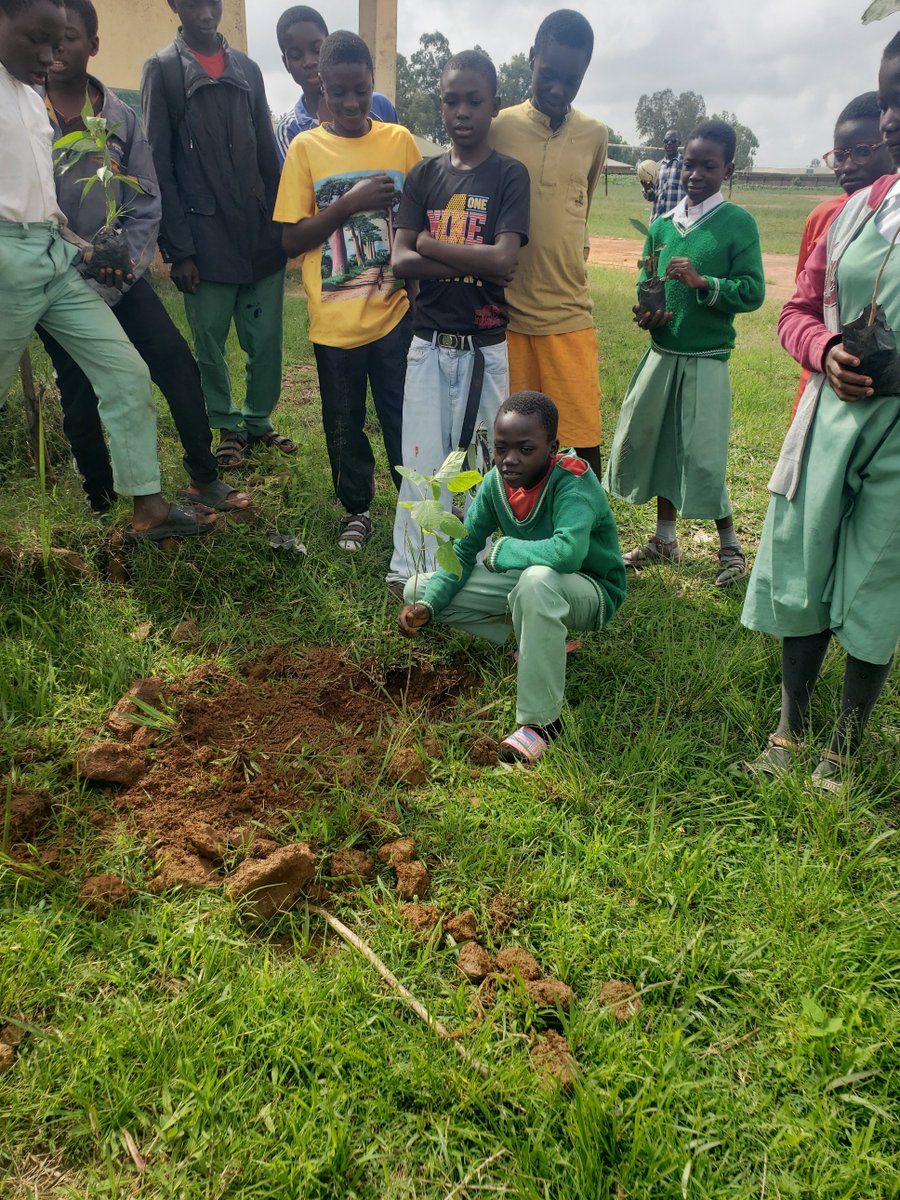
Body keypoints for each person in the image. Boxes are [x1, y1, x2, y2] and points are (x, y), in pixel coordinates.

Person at [740, 35, 900, 795]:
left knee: (876, 578)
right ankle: (789, 729)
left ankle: (842, 748)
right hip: (830, 422)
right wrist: (826, 347)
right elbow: (796, 312)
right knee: (804, 565)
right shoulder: (853, 215)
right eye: (888, 98)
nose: (892, 118)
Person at [0, 0, 212, 542]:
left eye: (58, 42)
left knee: (126, 373)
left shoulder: (36, 102)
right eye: (37, 40)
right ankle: (99, 495)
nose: (49, 55)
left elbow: (47, 210)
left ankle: (150, 506)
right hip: (7, 264)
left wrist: (88, 252)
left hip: (56, 259)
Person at [38, 0, 249, 516]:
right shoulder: (26, 116)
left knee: (176, 363)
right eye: (50, 37)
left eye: (70, 36)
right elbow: (33, 210)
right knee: (77, 387)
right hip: (57, 282)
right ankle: (100, 497)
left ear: (93, 45)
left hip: (121, 279)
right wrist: (79, 260)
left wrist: (122, 263)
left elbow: (146, 199)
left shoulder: (120, 119)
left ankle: (203, 475)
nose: (58, 47)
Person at [399, 392, 626, 764]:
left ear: (551, 448)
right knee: (417, 588)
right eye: (501, 448)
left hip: (591, 589)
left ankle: (542, 724)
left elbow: (568, 554)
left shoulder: (574, 482)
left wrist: (505, 550)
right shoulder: (495, 484)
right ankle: (538, 640)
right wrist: (428, 604)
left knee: (536, 581)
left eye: (526, 449)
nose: (510, 459)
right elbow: (463, 551)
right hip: (534, 584)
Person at [387, 49, 530, 589]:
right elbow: (401, 260)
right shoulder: (423, 176)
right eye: (452, 101)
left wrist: (430, 244)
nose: (462, 112)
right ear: (440, 106)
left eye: (474, 100)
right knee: (422, 463)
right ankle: (414, 573)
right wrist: (473, 259)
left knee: (486, 465)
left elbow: (504, 259)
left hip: (485, 346)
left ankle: (482, 571)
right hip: (427, 345)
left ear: (494, 104)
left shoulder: (509, 176)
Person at [274, 31, 421, 550]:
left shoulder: (400, 142)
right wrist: (349, 203)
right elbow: (292, 239)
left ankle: (414, 507)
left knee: (403, 415)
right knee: (343, 421)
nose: (353, 103)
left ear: (373, 82)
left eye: (361, 90)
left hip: (395, 313)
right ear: (322, 86)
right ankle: (356, 509)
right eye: (340, 92)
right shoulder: (305, 148)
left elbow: (419, 220)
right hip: (334, 323)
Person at [604, 120, 765, 586]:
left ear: (727, 170)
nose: (696, 175)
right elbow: (646, 280)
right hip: (662, 354)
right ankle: (665, 539)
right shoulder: (661, 225)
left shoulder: (737, 224)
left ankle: (730, 546)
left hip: (706, 357)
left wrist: (702, 282)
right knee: (659, 443)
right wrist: (646, 313)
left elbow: (752, 291)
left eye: (708, 166)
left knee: (702, 454)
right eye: (690, 165)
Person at [142, 0, 290, 472]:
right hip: (203, 240)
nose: (206, 13)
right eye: (193, 4)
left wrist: (280, 224)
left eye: (213, 2)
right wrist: (179, 250)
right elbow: (159, 165)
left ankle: (258, 421)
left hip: (258, 231)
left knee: (265, 341)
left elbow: (266, 151)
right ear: (175, 6)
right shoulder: (163, 70)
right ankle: (226, 425)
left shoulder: (247, 69)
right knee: (210, 342)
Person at [488, 9, 607, 479]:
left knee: (581, 443)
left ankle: (587, 523)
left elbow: (581, 214)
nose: (558, 89)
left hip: (569, 315)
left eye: (571, 80)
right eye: (548, 75)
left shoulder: (594, 135)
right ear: (531, 58)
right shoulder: (497, 127)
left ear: (585, 73)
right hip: (507, 317)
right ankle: (517, 521)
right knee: (511, 447)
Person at [789, 92, 893, 418]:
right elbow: (804, 306)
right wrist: (825, 350)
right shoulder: (826, 219)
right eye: (839, 155)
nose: (846, 167)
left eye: (862, 152)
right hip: (826, 390)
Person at [274, 4, 397, 167]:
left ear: (329, 47)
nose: (309, 61)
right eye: (296, 55)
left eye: (316, 50)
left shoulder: (379, 106)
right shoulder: (290, 130)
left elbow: (398, 164)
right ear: (286, 63)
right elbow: (297, 182)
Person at [645, 129, 686, 223]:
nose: (669, 143)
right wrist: (647, 190)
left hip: (677, 222)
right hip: (657, 221)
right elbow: (651, 197)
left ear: (679, 143)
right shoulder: (656, 166)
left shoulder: (686, 164)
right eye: (666, 141)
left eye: (673, 141)